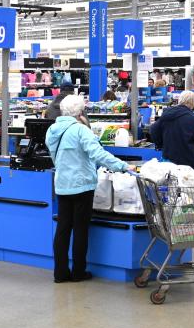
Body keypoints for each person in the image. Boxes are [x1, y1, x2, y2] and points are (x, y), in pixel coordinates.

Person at [46, 94, 134, 283]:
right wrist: (123, 166)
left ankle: (60, 273)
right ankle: (78, 272)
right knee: (80, 230)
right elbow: (98, 154)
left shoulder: (52, 130)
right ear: (80, 112)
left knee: (62, 229)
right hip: (82, 186)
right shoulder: (80, 130)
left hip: (62, 185)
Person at [150, 90, 194, 174]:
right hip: (190, 165)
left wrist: (162, 145)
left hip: (169, 163)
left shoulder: (166, 115)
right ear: (193, 103)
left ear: (179, 100)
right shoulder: (192, 119)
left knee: (172, 186)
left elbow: (153, 130)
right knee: (193, 187)